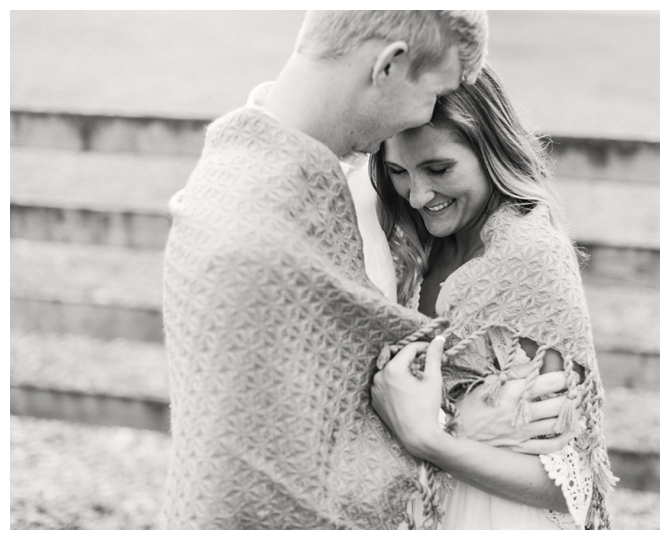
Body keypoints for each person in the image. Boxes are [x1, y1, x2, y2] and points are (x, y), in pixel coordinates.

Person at [162, 11, 571, 530]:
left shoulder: (267, 171)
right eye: (433, 92)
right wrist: (453, 427)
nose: (421, 119)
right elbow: (288, 484)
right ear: (389, 66)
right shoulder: (263, 233)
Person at [369, 65, 616, 529]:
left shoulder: (527, 258)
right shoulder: (410, 241)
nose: (419, 196)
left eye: (439, 169)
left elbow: (571, 483)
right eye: (398, 171)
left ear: (491, 149)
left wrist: (433, 438)